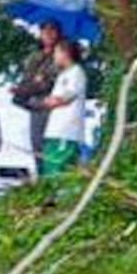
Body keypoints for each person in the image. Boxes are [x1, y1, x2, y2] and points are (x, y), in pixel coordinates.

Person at [10, 19, 62, 153]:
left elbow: (50, 83)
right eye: (45, 30)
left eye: (52, 30)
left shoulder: (62, 55)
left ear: (58, 33)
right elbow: (27, 79)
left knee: (51, 146)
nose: (48, 34)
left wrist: (35, 84)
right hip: (34, 105)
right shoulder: (35, 57)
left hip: (53, 105)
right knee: (37, 145)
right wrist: (25, 87)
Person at [38, 39, 87, 176]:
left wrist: (52, 101)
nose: (54, 56)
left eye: (56, 52)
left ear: (65, 53)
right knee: (49, 169)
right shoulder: (62, 74)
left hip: (66, 132)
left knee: (59, 172)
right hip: (54, 131)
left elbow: (66, 98)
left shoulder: (76, 72)